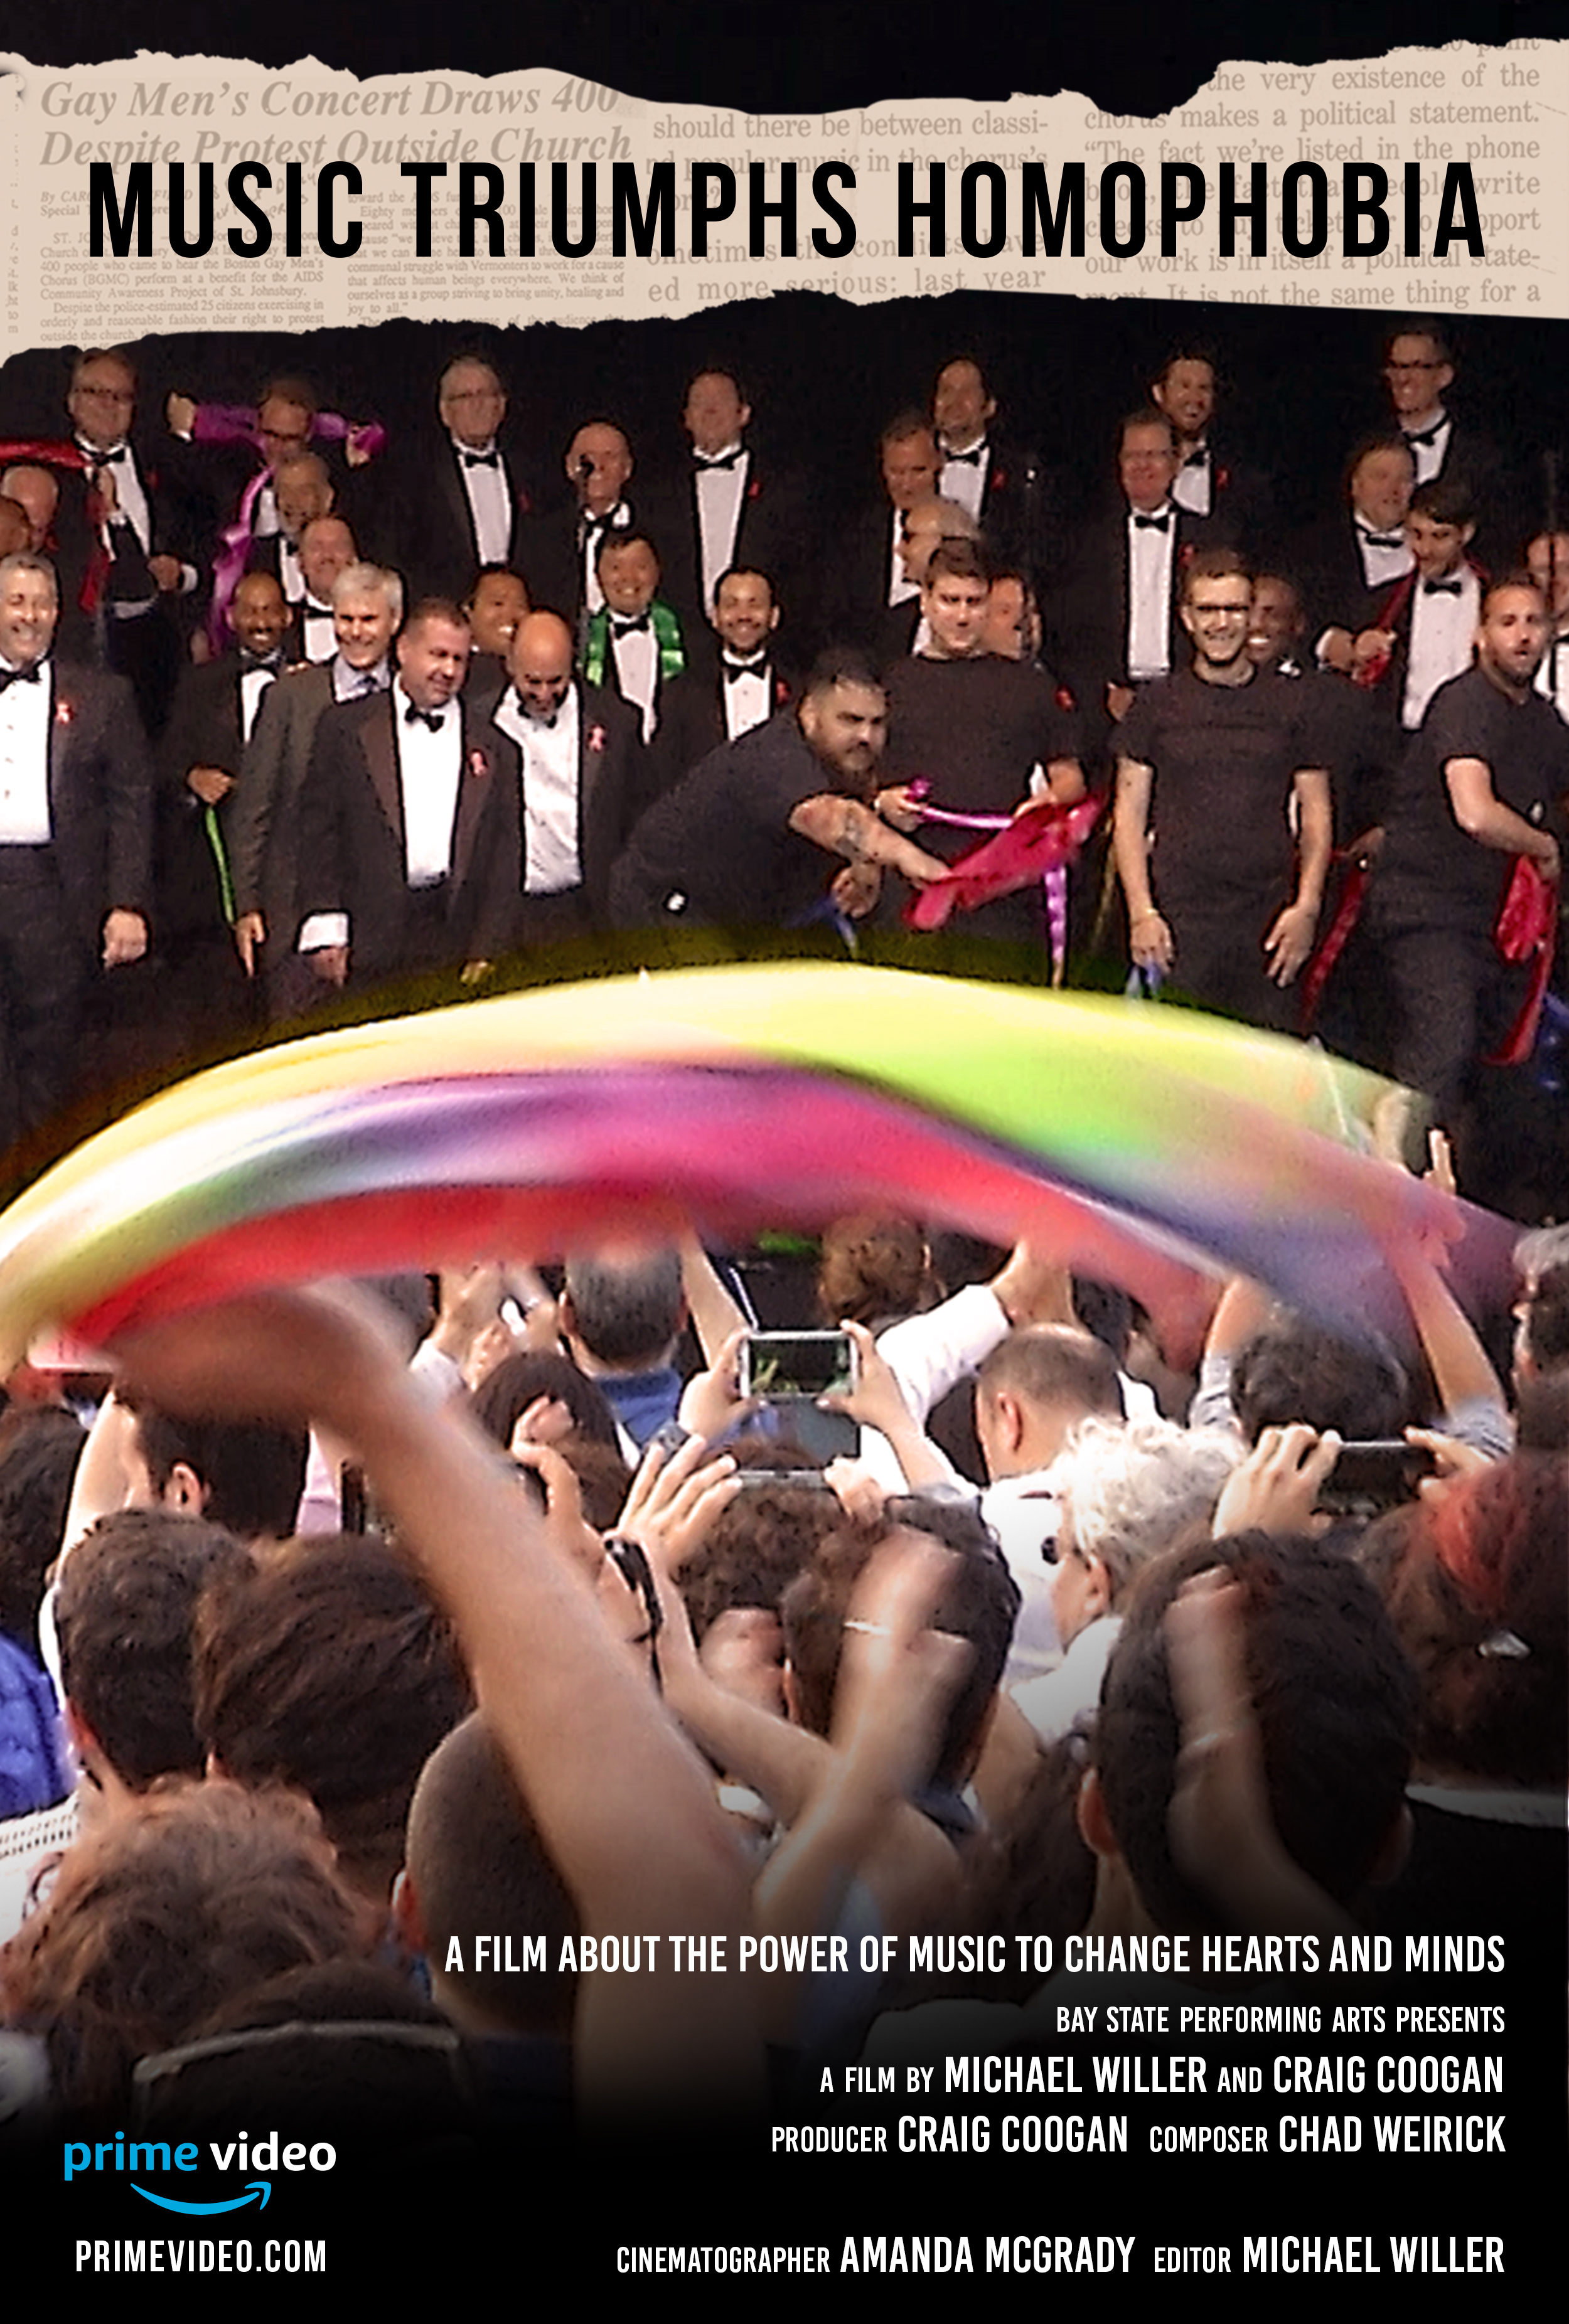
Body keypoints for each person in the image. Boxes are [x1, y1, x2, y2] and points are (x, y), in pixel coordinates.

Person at [1361, 576, 1569, 1165]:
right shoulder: (1466, 701)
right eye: (1508, 623)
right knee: (1441, 1047)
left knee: (1495, 1072)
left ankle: (1467, 1201)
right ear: (1481, 637)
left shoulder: (1542, 720)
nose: (1523, 636)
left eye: (1534, 622)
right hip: (1428, 910)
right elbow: (1474, 812)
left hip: (1491, 923)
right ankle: (1389, 1184)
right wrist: (1543, 847)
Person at [1113, 548, 1332, 1030]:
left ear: (1251, 613)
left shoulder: (1293, 703)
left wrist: (1307, 908)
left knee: (1268, 1079)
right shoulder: (1155, 705)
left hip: (1270, 925)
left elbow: (1317, 814)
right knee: (1178, 1081)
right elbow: (1128, 816)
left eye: (1233, 609)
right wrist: (1141, 912)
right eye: (1208, 610)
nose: (1221, 623)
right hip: (1179, 923)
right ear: (1187, 618)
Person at [608, 649, 949, 937]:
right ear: (810, 713)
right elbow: (833, 819)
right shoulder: (775, 756)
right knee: (718, 1010)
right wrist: (917, 863)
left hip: (749, 911)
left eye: (877, 723)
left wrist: (865, 867)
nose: (865, 735)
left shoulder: (846, 757)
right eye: (850, 719)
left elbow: (853, 812)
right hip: (668, 901)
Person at [0, 550, 153, 1150]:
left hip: (54, 897)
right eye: (17, 601)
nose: (30, 616)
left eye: (42, 603)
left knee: (50, 1058)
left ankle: (34, 1203)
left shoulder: (103, 695)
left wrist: (128, 903)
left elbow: (132, 803)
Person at [293, 597, 520, 991]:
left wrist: (489, 946)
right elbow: (319, 833)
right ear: (403, 649)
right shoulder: (344, 728)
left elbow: (506, 856)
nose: (448, 670)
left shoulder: (496, 747)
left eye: (459, 660)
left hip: (454, 938)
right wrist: (325, 926)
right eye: (438, 655)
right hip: (367, 938)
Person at [228, 562, 400, 1013]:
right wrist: (247, 906)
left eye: (368, 620)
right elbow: (254, 809)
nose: (356, 632)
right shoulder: (290, 697)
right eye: (346, 619)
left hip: (388, 924)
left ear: (395, 622)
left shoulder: (410, 695)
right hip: (295, 919)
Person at [478, 607, 643, 945]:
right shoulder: (478, 719)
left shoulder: (617, 721)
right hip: (503, 916)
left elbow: (638, 821)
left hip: (587, 913)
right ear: (510, 664)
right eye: (532, 682)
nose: (543, 694)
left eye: (556, 681)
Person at [391, 354, 534, 602]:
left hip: (521, 608)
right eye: (465, 397)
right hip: (449, 609)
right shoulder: (417, 478)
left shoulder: (530, 470)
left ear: (501, 406)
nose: (477, 405)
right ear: (445, 412)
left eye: (485, 395)